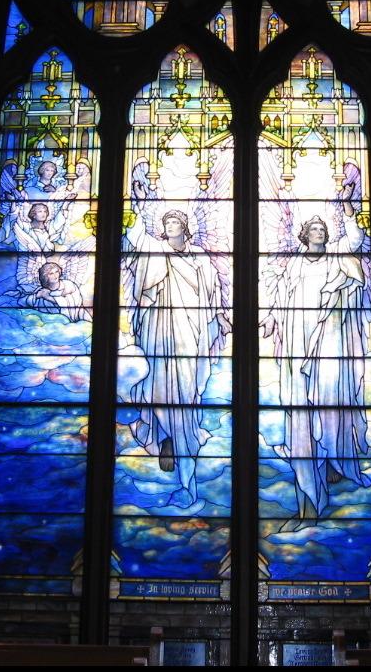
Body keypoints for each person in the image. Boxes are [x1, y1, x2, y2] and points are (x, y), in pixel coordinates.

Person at [259, 183, 371, 520]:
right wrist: (271, 318)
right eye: (314, 229)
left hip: (330, 337)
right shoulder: (294, 265)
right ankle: (316, 456)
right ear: (305, 235)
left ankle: (335, 455)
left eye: (322, 229)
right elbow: (282, 296)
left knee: (331, 394)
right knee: (303, 400)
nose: (319, 233)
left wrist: (348, 206)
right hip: (299, 337)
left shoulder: (337, 254)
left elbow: (355, 240)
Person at [124, 184, 232, 508]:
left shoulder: (200, 258)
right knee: (160, 382)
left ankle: (183, 432)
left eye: (175, 222)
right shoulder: (155, 250)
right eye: (167, 223)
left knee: (187, 385)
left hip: (192, 330)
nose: (170, 226)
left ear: (185, 227)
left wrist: (220, 317)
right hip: (160, 328)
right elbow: (137, 237)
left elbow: (213, 294)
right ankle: (166, 435)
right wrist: (138, 203)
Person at [24, 261, 92, 322]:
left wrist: (48, 297)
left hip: (78, 319)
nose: (55, 275)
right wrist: (37, 296)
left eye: (56, 272)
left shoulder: (68, 285)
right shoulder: (42, 291)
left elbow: (67, 303)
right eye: (51, 273)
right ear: (45, 277)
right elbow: (24, 302)